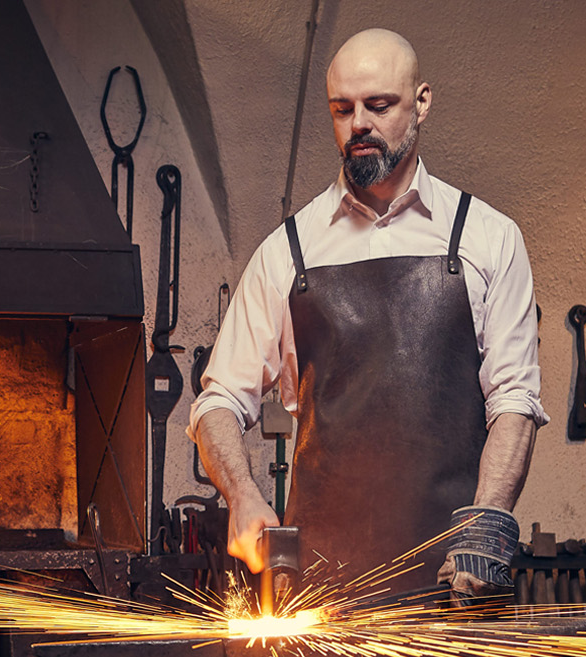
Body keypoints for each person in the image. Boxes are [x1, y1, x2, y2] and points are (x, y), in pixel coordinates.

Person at [188, 28, 544, 599]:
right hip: (319, 595)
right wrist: (243, 494)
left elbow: (514, 399)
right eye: (341, 109)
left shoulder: (488, 239)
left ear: (421, 102)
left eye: (379, 106)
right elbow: (217, 402)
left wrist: (488, 521)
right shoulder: (289, 251)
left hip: (455, 586)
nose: (358, 125)